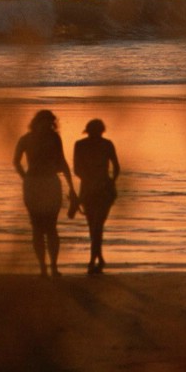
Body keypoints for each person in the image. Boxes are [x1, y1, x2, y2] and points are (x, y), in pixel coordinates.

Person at [12, 109, 77, 277]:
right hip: (33, 184)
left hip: (50, 183)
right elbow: (16, 161)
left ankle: (53, 266)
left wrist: (71, 186)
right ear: (37, 122)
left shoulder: (54, 138)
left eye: (50, 123)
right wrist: (25, 177)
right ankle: (42, 266)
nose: (47, 126)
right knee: (37, 227)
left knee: (51, 227)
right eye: (45, 123)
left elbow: (62, 161)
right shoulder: (26, 139)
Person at [72, 118, 120, 275]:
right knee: (94, 226)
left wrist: (107, 182)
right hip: (94, 189)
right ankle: (98, 258)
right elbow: (77, 169)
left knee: (96, 225)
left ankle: (93, 260)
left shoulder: (101, 144)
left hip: (98, 190)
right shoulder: (86, 145)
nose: (95, 135)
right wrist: (107, 181)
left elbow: (116, 167)